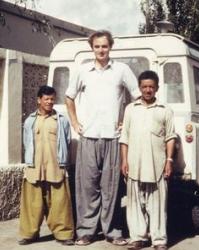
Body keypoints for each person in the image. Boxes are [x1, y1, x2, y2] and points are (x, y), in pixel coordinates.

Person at [65, 30, 139, 246]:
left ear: (110, 47)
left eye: (104, 46)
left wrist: (125, 122)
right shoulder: (82, 71)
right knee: (87, 187)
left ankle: (113, 231)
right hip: (88, 137)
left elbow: (136, 97)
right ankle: (86, 230)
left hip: (113, 138)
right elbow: (69, 97)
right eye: (97, 46)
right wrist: (75, 123)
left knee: (111, 188)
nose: (101, 50)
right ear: (92, 47)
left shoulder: (122, 70)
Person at [119, 70, 177, 250]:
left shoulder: (165, 110)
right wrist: (124, 161)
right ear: (140, 88)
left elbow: (170, 137)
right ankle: (138, 237)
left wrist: (169, 160)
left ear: (157, 88)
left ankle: (159, 240)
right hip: (134, 164)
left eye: (151, 87)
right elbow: (125, 137)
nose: (148, 90)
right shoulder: (130, 109)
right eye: (144, 87)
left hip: (156, 165)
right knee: (135, 203)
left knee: (157, 205)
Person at [19, 85, 74, 246]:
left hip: (55, 166)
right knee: (31, 203)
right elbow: (26, 142)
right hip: (34, 167)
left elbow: (67, 141)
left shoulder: (61, 120)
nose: (50, 102)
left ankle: (64, 234)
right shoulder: (30, 120)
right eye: (46, 99)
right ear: (39, 100)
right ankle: (28, 234)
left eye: (52, 99)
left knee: (60, 202)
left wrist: (64, 162)